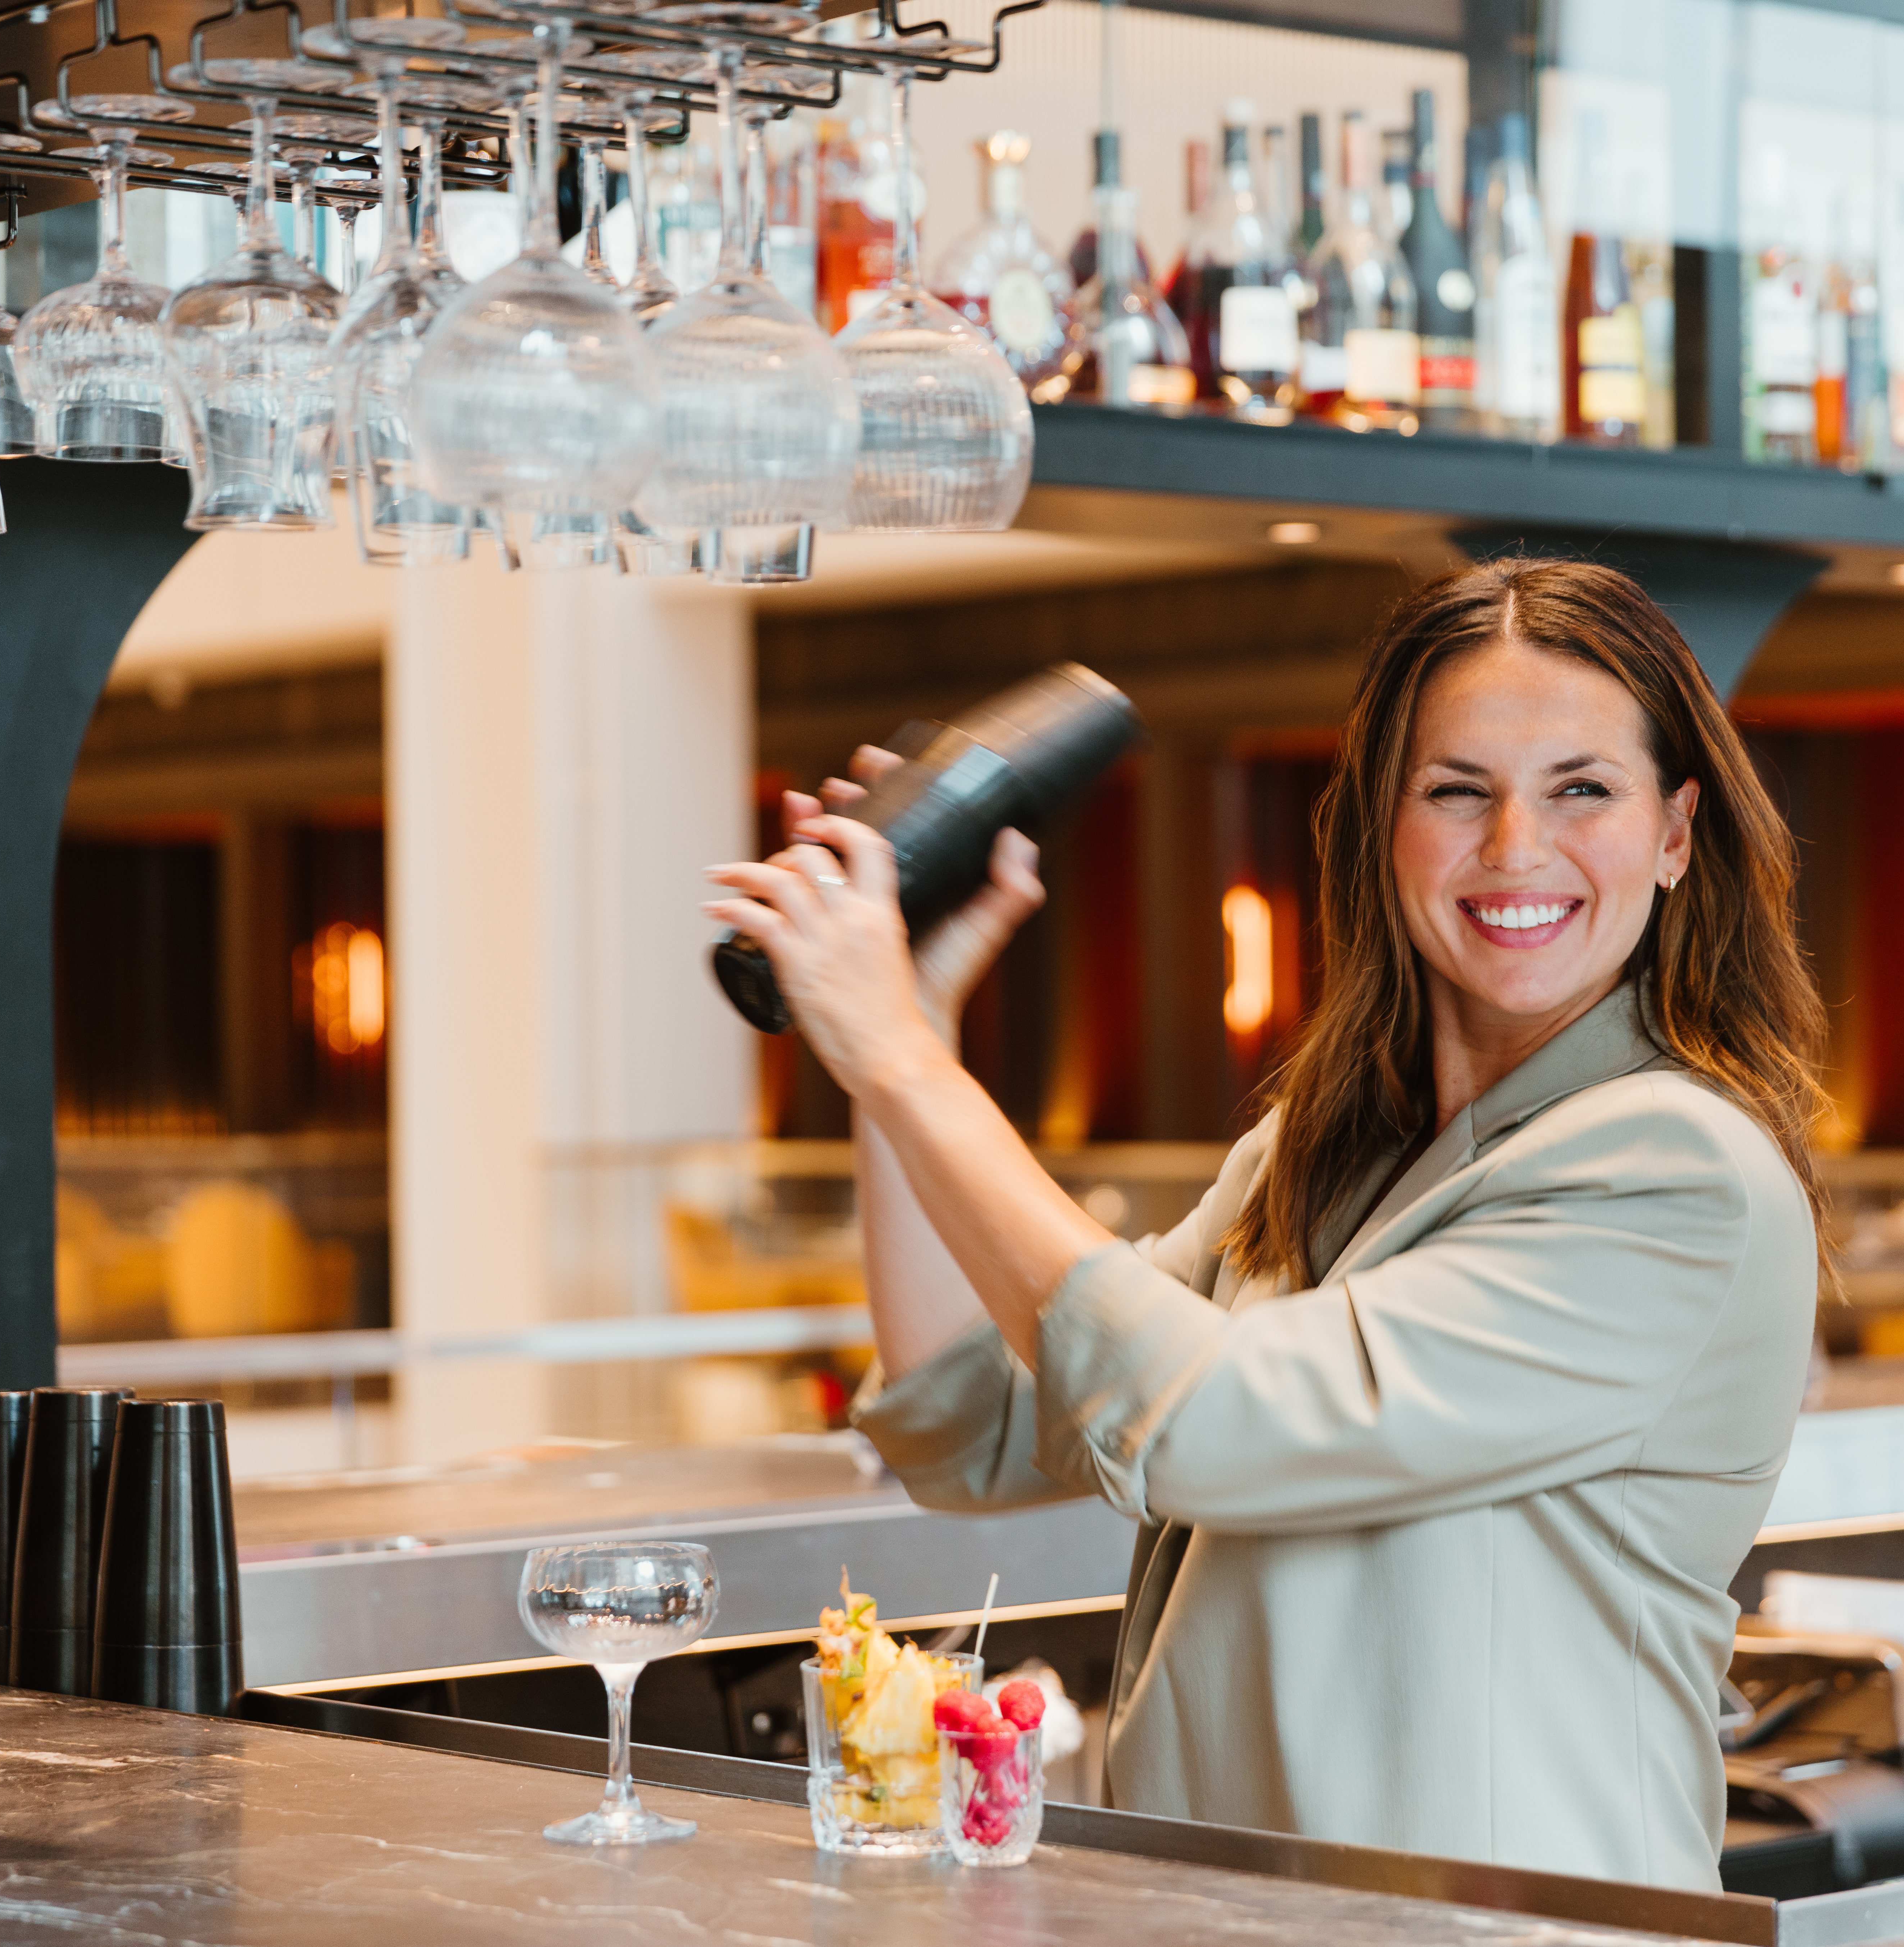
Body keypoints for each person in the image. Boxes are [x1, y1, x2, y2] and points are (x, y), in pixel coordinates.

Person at [704, 557, 1826, 1891]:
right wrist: (911, 1034)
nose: (1513, 846)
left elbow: (1200, 1421)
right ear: (1381, 828)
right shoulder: (1319, 1149)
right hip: (1234, 1915)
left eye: (1579, 789)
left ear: (1673, 832)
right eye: (1453, 789)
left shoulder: (1678, 1168)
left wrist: (902, 1062)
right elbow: (981, 1426)